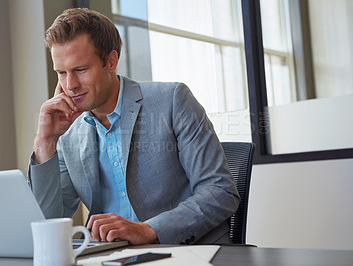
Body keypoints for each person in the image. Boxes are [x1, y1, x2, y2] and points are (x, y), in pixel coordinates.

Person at [28, 8, 240, 245]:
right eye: (61, 73)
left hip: (190, 252)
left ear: (111, 61)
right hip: (113, 256)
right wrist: (45, 141)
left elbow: (221, 192)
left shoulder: (172, 101)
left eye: (80, 70)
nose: (70, 85)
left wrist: (148, 230)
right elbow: (48, 222)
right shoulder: (69, 135)